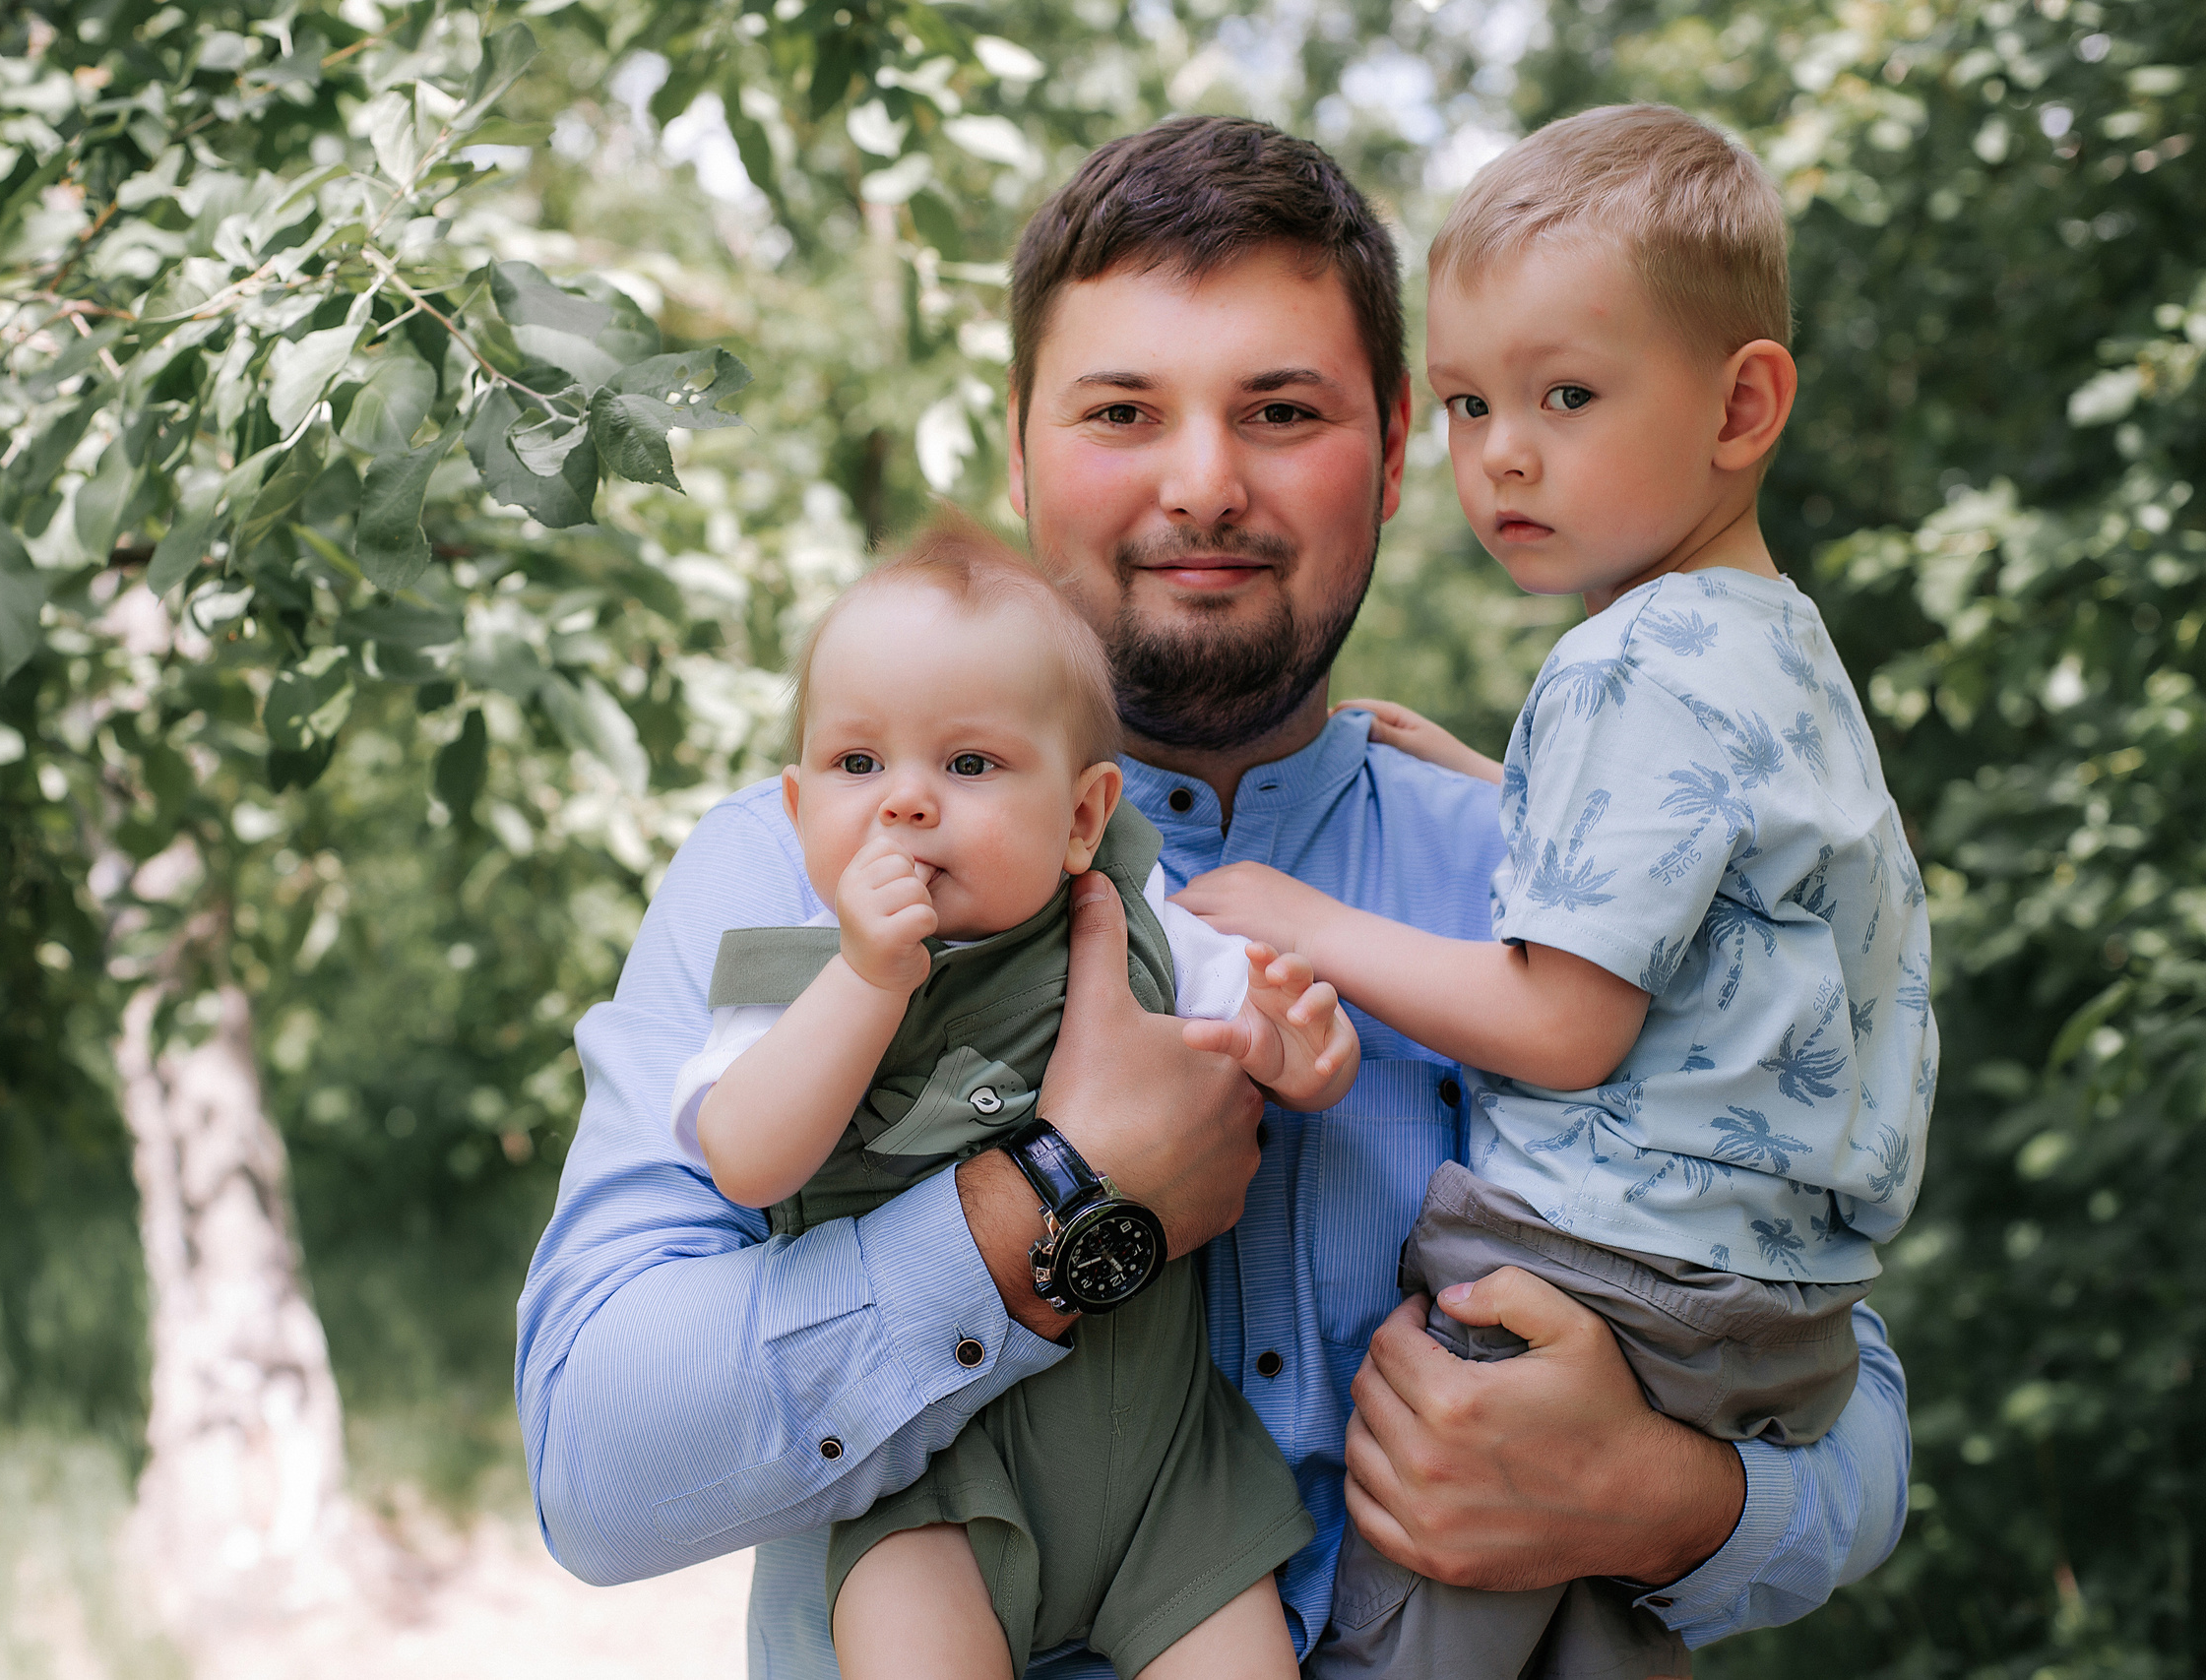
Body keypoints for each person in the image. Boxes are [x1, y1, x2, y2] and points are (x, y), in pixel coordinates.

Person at [515, 115, 1915, 1680]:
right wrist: (1054, 1203)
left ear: (1394, 451)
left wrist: (1665, 1497)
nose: (1202, 482)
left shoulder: (1536, 869)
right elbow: (597, 1462)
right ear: (1022, 445)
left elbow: (1841, 1390)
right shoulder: (798, 870)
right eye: (1122, 410)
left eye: (1280, 411)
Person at [1171, 104, 1938, 1678]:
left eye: (1567, 394)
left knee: (1428, 1583)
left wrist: (1309, 921)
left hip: (1610, 1261)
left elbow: (1567, 1023)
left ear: (1743, 406)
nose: (1502, 450)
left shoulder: (1620, 662)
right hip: (1768, 1294)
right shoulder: (1766, 639)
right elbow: (1698, 884)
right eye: (1465, 401)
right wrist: (1503, 789)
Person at [678, 517, 1357, 1679]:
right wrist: (863, 982)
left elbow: (1255, 1038)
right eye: (857, 765)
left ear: (1084, 815)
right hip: (928, 1482)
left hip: (1164, 1479)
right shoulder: (793, 978)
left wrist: (1299, 1051)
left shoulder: (1144, 932)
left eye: (969, 764)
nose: (905, 803)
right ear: (796, 816)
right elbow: (745, 1157)